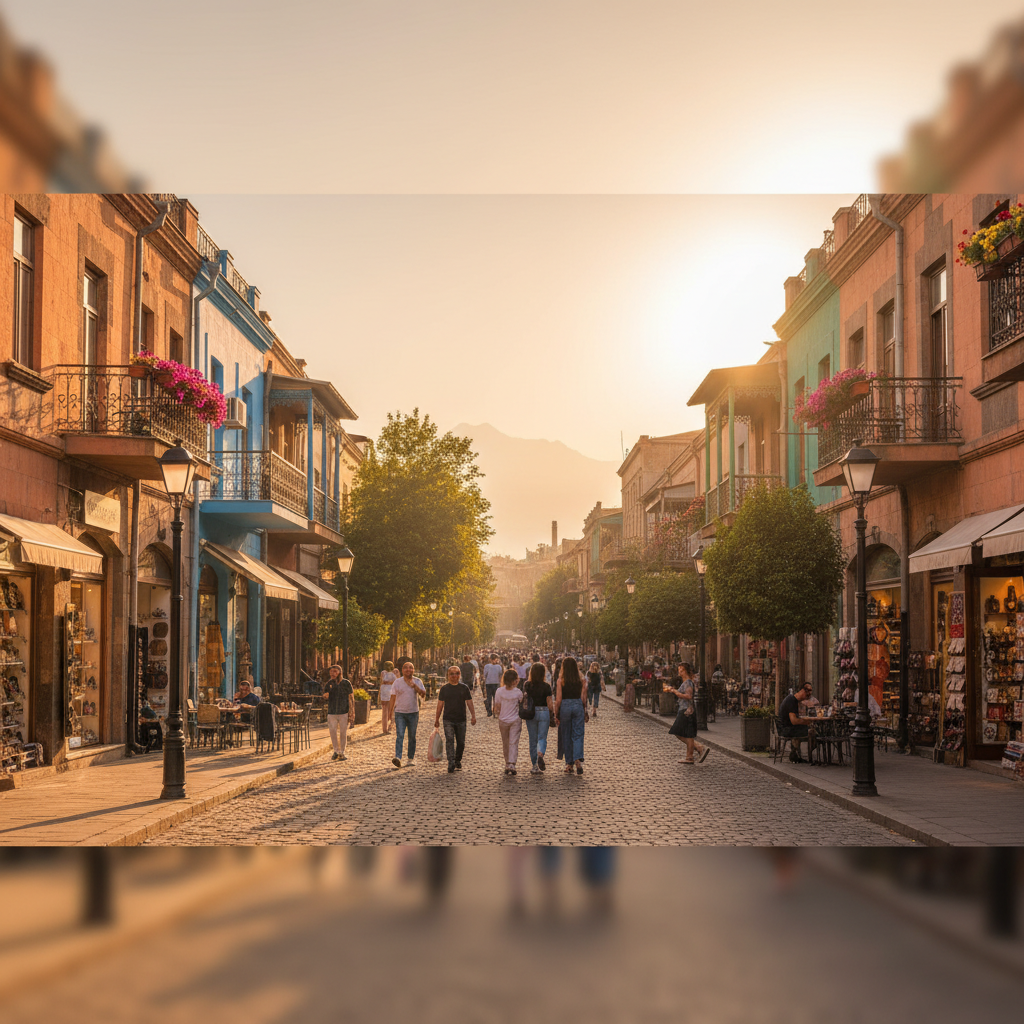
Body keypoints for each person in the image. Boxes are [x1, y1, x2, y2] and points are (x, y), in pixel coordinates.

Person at [434, 664, 477, 773]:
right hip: (448, 719)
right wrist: (437, 719)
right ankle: (451, 762)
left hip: (461, 719)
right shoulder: (444, 689)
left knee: (461, 742)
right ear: (448, 675)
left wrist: (473, 715)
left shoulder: (464, 688)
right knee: (449, 740)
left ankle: (458, 759)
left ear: (460, 675)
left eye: (457, 673)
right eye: (452, 674)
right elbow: (440, 705)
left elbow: (469, 702)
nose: (454, 676)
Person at [666, 663, 709, 765]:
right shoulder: (686, 682)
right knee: (680, 732)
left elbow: (689, 696)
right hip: (685, 709)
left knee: (685, 733)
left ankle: (691, 756)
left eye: (680, 670)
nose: (679, 672)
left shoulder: (688, 683)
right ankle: (697, 748)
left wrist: (675, 692)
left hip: (686, 711)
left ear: (684, 671)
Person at [389, 660, 426, 767]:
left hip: (413, 712)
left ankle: (410, 758)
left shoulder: (418, 681)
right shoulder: (397, 682)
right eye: (406, 667)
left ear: (413, 670)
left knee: (412, 736)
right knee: (400, 735)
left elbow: (423, 694)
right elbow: (392, 697)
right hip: (400, 712)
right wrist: (390, 712)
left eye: (410, 667)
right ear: (402, 670)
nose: (408, 669)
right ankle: (398, 757)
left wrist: (415, 687)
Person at [554, 655, 587, 775]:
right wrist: (584, 710)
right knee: (578, 734)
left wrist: (556, 713)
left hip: (565, 705)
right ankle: (578, 759)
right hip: (577, 704)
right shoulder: (581, 680)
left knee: (566, 734)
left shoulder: (560, 680)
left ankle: (569, 764)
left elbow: (558, 699)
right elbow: (584, 698)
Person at [523, 660, 554, 773]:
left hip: (531, 712)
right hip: (543, 711)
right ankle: (540, 753)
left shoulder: (527, 684)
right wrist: (552, 714)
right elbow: (550, 703)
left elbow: (525, 699)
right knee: (542, 737)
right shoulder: (546, 686)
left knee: (533, 739)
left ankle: (535, 766)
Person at [493, 668, 524, 776]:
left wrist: (499, 713)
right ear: (514, 680)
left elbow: (497, 707)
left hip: (503, 720)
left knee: (505, 743)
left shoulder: (499, 691)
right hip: (515, 720)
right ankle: (512, 763)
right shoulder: (518, 692)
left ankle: (507, 763)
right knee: (513, 742)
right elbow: (521, 704)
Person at [323, 663, 354, 762]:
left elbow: (351, 697)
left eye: (335, 671)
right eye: (331, 671)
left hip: (343, 711)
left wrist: (352, 711)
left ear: (339, 672)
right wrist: (325, 696)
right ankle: (336, 751)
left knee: (343, 732)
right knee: (332, 732)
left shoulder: (346, 683)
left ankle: (342, 752)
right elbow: (324, 695)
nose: (332, 673)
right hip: (332, 711)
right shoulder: (329, 684)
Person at [779, 681, 816, 762]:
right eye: (807, 694)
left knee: (808, 730)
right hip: (787, 729)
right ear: (802, 691)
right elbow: (794, 721)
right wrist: (807, 722)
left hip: (787, 728)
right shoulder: (791, 701)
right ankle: (808, 757)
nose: (806, 698)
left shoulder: (793, 700)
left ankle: (795, 753)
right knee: (813, 732)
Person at [378, 661, 397, 735]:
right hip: (390, 691)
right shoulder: (393, 673)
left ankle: (385, 728)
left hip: (385, 691)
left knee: (385, 710)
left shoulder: (383, 673)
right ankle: (389, 727)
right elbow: (395, 681)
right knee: (391, 710)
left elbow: (382, 682)